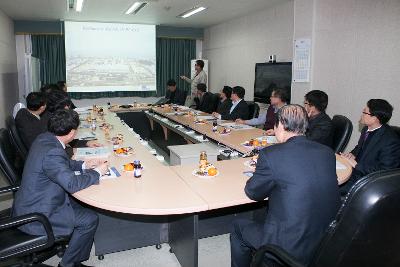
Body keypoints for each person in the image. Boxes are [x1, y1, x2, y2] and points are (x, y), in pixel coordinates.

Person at [230, 105, 340, 267]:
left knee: (237, 226)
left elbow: (253, 193)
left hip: (288, 246)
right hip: (326, 240)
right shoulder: (327, 153)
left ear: (281, 125)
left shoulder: (271, 154)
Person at [12, 109, 109, 267]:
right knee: (89, 219)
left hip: (31, 201)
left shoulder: (45, 138)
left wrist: (84, 164)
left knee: (82, 204)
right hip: (38, 215)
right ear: (72, 133)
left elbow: (61, 163)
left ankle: (73, 254)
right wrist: (98, 172)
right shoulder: (53, 151)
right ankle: (68, 264)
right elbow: (71, 184)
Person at [340, 99, 400, 194]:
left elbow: (385, 172)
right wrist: (352, 154)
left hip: (367, 181)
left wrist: (356, 165)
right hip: (355, 172)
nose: (362, 114)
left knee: (328, 187)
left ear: (375, 118)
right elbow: (360, 147)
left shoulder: (390, 141)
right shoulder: (366, 129)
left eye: (365, 112)